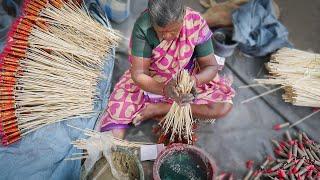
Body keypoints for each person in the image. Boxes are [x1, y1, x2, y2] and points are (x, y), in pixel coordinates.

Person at [100, 0, 235, 139]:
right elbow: (139, 74)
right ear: (152, 20)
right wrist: (164, 90)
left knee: (223, 106)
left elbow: (210, 66)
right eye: (161, 31)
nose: (167, 37)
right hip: (152, 83)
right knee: (116, 116)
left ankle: (159, 109)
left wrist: (193, 81)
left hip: (187, 78)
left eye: (173, 31)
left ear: (183, 17)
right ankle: (159, 106)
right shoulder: (143, 27)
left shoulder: (194, 22)